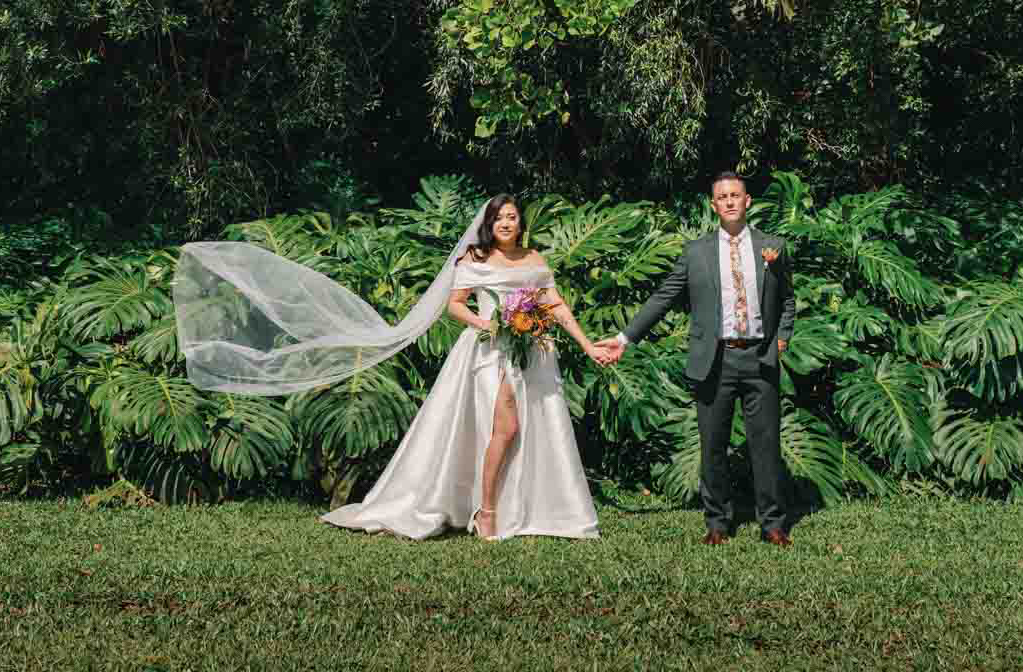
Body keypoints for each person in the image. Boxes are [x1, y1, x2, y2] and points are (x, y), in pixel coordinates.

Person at [175, 194, 609, 541]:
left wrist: (586, 344)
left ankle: (522, 507)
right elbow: (455, 307)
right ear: (489, 225)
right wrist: (489, 323)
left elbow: (556, 305)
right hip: (490, 353)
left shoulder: (533, 261)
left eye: (513, 217)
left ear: (520, 222)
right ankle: (487, 510)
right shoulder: (474, 260)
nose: (507, 224)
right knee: (505, 430)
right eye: (500, 219)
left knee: (528, 432)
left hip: (531, 354)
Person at [592, 171, 797, 546]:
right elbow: (662, 297)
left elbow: (786, 299)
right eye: (723, 197)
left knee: (766, 445)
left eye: (736, 195)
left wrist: (782, 338)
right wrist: (624, 338)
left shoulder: (773, 247)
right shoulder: (696, 252)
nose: (731, 201)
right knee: (712, 444)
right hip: (714, 360)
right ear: (714, 205)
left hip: (760, 359)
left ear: (747, 201)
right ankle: (718, 523)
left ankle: (773, 525)